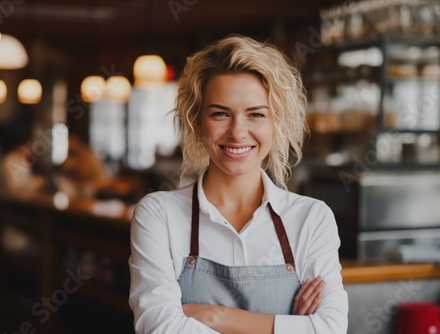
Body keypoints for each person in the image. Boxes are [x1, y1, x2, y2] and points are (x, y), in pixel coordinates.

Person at [129, 35, 348, 334]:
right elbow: (160, 328)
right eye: (220, 113)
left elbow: (330, 329)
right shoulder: (158, 215)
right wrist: (291, 326)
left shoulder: (312, 218)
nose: (237, 132)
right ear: (197, 120)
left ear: (276, 122)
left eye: (256, 114)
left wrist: (212, 315)